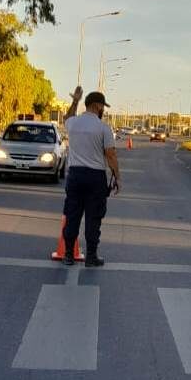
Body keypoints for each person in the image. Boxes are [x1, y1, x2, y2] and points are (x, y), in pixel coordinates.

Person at [62, 86, 121, 267]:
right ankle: (91, 257)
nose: (103, 110)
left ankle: (69, 255)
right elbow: (110, 155)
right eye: (103, 107)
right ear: (96, 106)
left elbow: (66, 118)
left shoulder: (73, 123)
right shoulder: (103, 128)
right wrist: (117, 177)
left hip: (75, 176)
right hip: (95, 177)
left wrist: (75, 100)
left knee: (72, 215)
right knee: (93, 218)